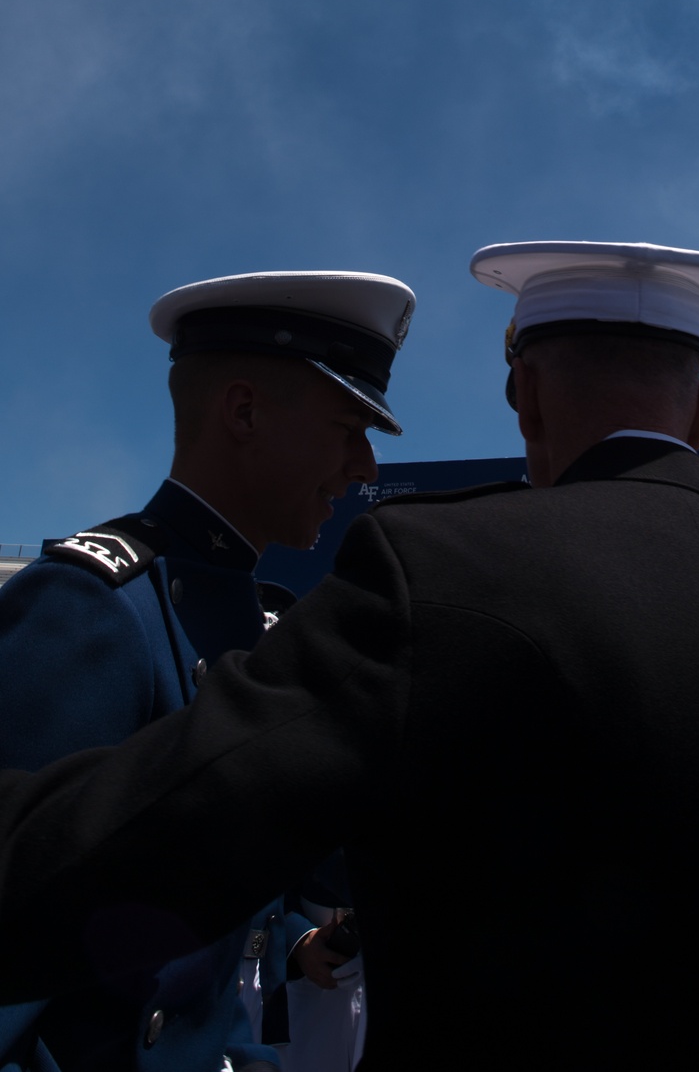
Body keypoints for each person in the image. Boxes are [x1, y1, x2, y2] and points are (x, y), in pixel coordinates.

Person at [0, 240, 699, 1070]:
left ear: (521, 393)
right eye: (351, 427)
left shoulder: (440, 573)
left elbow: (154, 832)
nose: (363, 469)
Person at [0, 268, 414, 1072]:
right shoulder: (91, 610)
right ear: (245, 412)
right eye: (348, 428)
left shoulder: (255, 621)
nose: (365, 466)